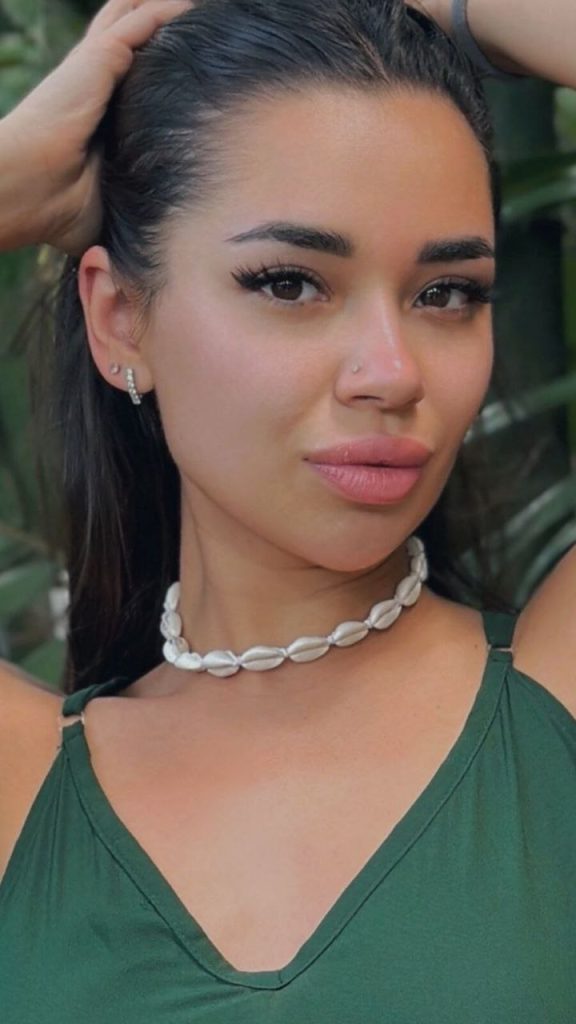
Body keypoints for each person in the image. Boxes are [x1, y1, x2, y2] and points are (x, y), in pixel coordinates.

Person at [0, 0, 575, 1017]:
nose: (391, 372)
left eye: (447, 293)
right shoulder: (22, 789)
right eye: (290, 283)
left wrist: (459, 7)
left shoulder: (552, 713)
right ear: (119, 316)